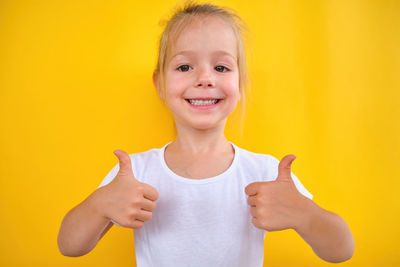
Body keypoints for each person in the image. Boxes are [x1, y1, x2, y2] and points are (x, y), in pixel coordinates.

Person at [57, 1, 355, 266]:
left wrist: (304, 213)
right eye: (185, 66)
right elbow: (69, 246)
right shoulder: (134, 173)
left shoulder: (266, 173)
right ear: (159, 84)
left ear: (240, 84)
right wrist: (99, 205)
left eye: (222, 67)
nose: (205, 78)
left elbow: (342, 250)